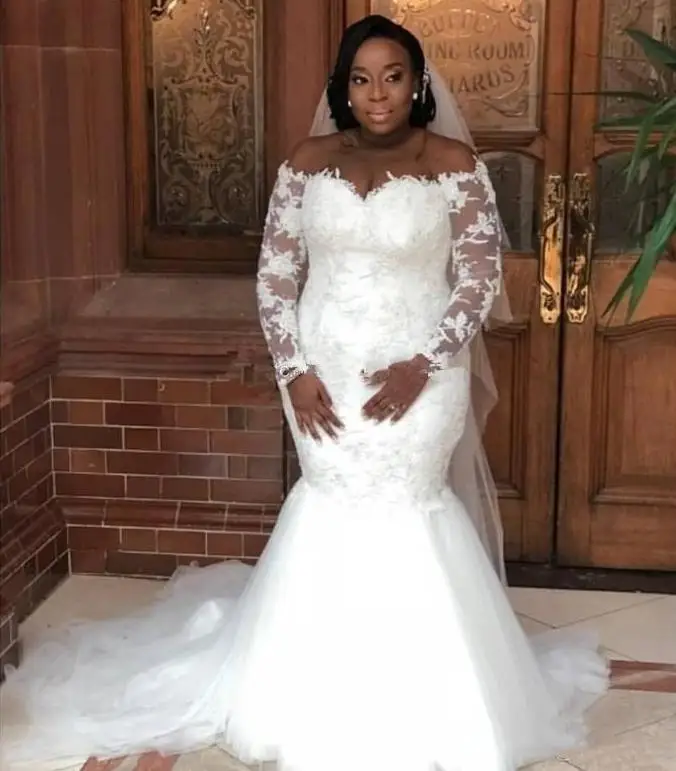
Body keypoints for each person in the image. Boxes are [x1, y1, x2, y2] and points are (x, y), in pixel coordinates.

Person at [1, 14, 608, 771]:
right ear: (342, 88)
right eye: (361, 79)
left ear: (417, 84)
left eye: (393, 77)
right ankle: (305, 690)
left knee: (409, 504)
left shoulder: (452, 162)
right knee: (329, 499)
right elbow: (276, 275)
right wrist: (294, 370)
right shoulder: (308, 161)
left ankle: (429, 697)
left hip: (421, 376)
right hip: (324, 374)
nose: (377, 94)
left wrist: (424, 363)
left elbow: (481, 278)